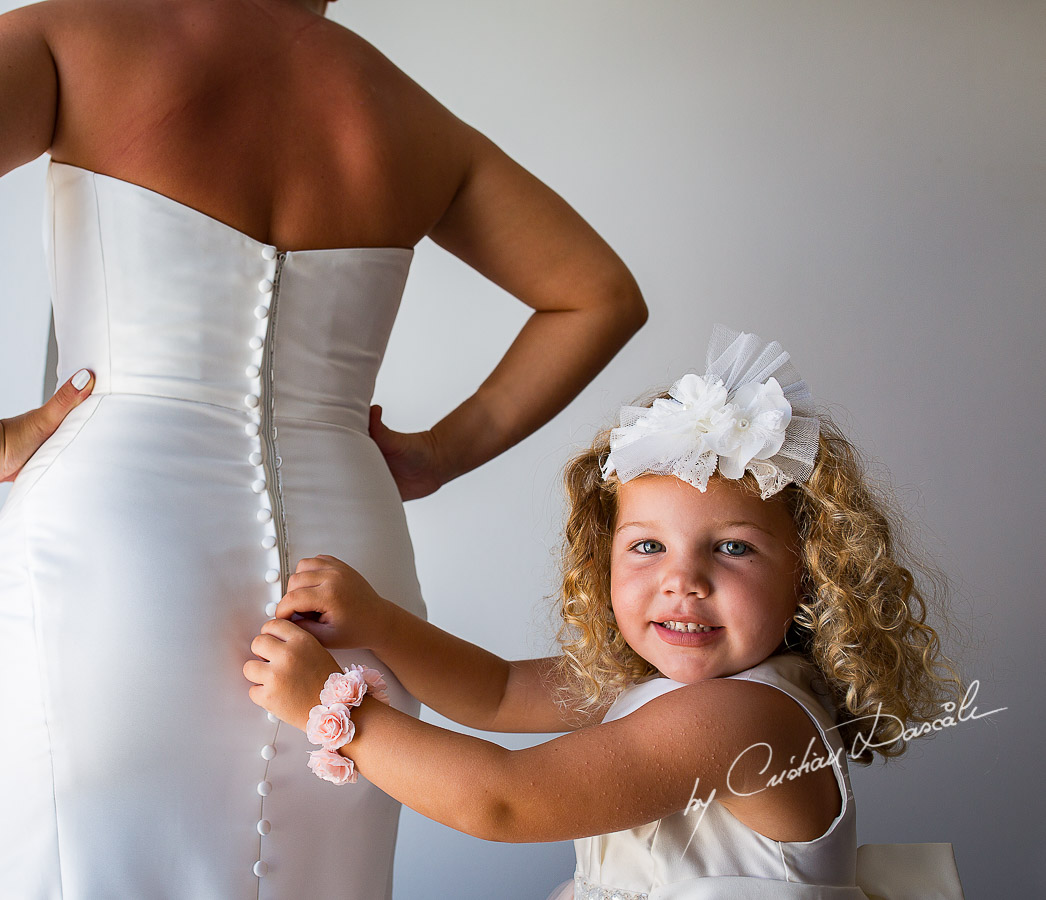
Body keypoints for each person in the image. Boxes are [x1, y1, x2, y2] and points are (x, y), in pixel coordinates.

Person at [0, 0, 646, 897]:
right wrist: (439, 454)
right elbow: (597, 293)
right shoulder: (406, 114)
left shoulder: (83, 37)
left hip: (119, 542)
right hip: (351, 559)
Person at [246, 327, 968, 899]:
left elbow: (504, 802)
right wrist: (380, 625)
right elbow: (496, 692)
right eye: (648, 545)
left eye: (735, 549)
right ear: (604, 561)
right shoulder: (652, 683)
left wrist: (330, 708)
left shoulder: (745, 719)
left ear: (809, 578)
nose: (682, 581)